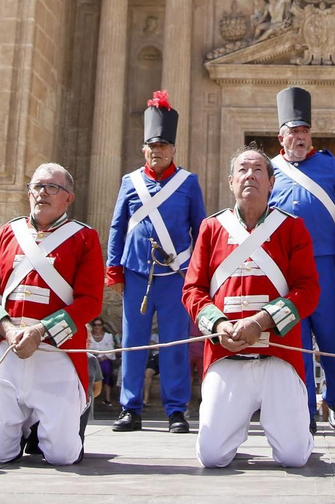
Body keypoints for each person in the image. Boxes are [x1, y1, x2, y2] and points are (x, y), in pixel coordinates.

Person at [183, 147, 320, 469]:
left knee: (295, 457)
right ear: (231, 182)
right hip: (226, 355)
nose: (250, 176)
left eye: (259, 170)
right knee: (212, 457)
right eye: (243, 170)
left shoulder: (292, 228)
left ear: (271, 182)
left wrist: (262, 321)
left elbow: (309, 290)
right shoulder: (211, 228)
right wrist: (218, 326)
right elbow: (193, 290)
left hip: (278, 355)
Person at [0, 163, 103, 466]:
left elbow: (90, 302)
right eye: (37, 186)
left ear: (69, 197)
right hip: (9, 350)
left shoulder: (84, 238)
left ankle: (69, 417)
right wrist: (8, 330)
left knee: (62, 457)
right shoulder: (7, 233)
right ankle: (25, 427)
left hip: (57, 354)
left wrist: (39, 331)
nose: (42, 193)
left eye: (52, 187)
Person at [106, 90, 206, 433]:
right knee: (133, 341)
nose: (158, 150)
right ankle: (130, 408)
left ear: (173, 149)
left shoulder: (188, 183)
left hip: (176, 273)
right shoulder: (129, 182)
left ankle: (176, 410)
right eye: (152, 145)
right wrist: (113, 269)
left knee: (174, 343)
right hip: (136, 272)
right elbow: (118, 225)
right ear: (144, 149)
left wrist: (197, 274)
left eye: (163, 145)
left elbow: (201, 231)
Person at [268, 85, 335, 431]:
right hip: (284, 269)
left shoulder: (328, 165)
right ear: (282, 137)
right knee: (297, 339)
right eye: (294, 132)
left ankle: (334, 399)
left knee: (331, 338)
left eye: (305, 131)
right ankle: (304, 409)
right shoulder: (269, 170)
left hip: (324, 265)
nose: (301, 137)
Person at [86, 318, 116, 403]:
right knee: (90, 371)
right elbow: (87, 349)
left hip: (104, 359)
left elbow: (111, 350)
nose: (97, 327)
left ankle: (107, 398)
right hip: (91, 359)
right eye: (95, 325)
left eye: (99, 325)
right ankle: (89, 398)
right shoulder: (89, 336)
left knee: (106, 369)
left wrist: (101, 358)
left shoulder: (108, 336)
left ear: (102, 326)